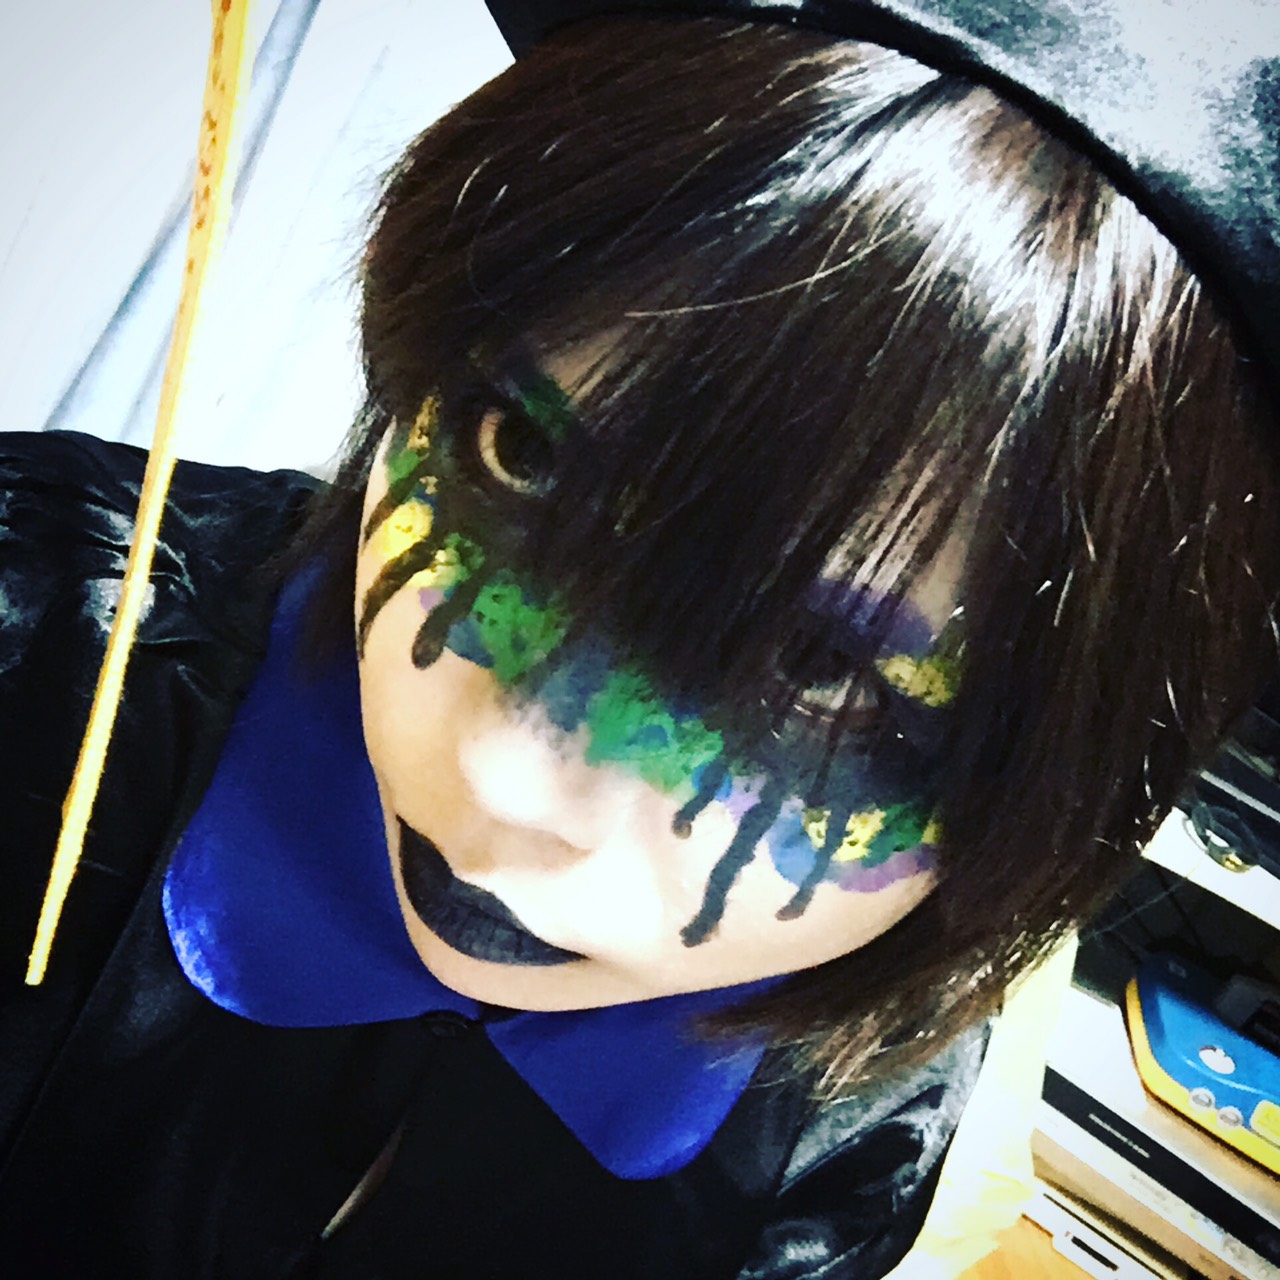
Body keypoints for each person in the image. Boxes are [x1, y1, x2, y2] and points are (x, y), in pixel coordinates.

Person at [2, 1, 1278, 1277]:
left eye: (826, 675)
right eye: (520, 457)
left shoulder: (840, 1127)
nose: (510, 773)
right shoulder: (36, 644)